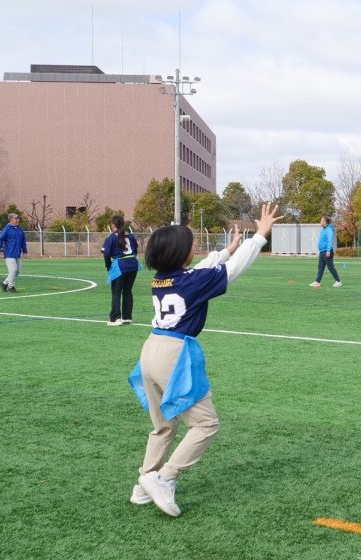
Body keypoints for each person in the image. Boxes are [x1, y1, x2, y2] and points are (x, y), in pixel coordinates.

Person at [128, 203, 283, 517]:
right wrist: (260, 236)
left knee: (163, 426)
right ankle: (165, 478)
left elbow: (202, 268)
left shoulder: (162, 279)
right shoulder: (192, 282)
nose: (195, 246)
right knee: (206, 424)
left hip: (150, 350)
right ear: (180, 253)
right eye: (191, 243)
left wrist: (226, 250)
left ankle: (143, 484)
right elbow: (233, 270)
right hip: (174, 354)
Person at [101, 215, 140, 326]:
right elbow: (135, 250)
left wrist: (108, 266)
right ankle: (127, 317)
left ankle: (115, 318)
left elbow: (106, 253)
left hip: (120, 265)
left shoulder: (111, 237)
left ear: (113, 225)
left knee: (116, 292)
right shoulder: (130, 235)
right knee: (127, 291)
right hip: (133, 264)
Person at [0, 213, 27, 292]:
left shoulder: (20, 229)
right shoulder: (7, 229)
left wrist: (25, 251)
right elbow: (0, 239)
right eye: (16, 218)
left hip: (17, 254)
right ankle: (11, 287)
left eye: (18, 218)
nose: (18, 220)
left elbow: (23, 241)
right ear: (11, 220)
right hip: (9, 254)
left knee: (17, 272)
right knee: (13, 271)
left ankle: (4, 283)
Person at [310, 215, 342, 288]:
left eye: (321, 221)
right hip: (322, 251)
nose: (320, 222)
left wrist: (328, 251)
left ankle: (338, 281)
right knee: (320, 267)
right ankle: (317, 282)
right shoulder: (323, 230)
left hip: (327, 251)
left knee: (330, 267)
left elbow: (330, 240)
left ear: (325, 222)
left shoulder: (329, 230)